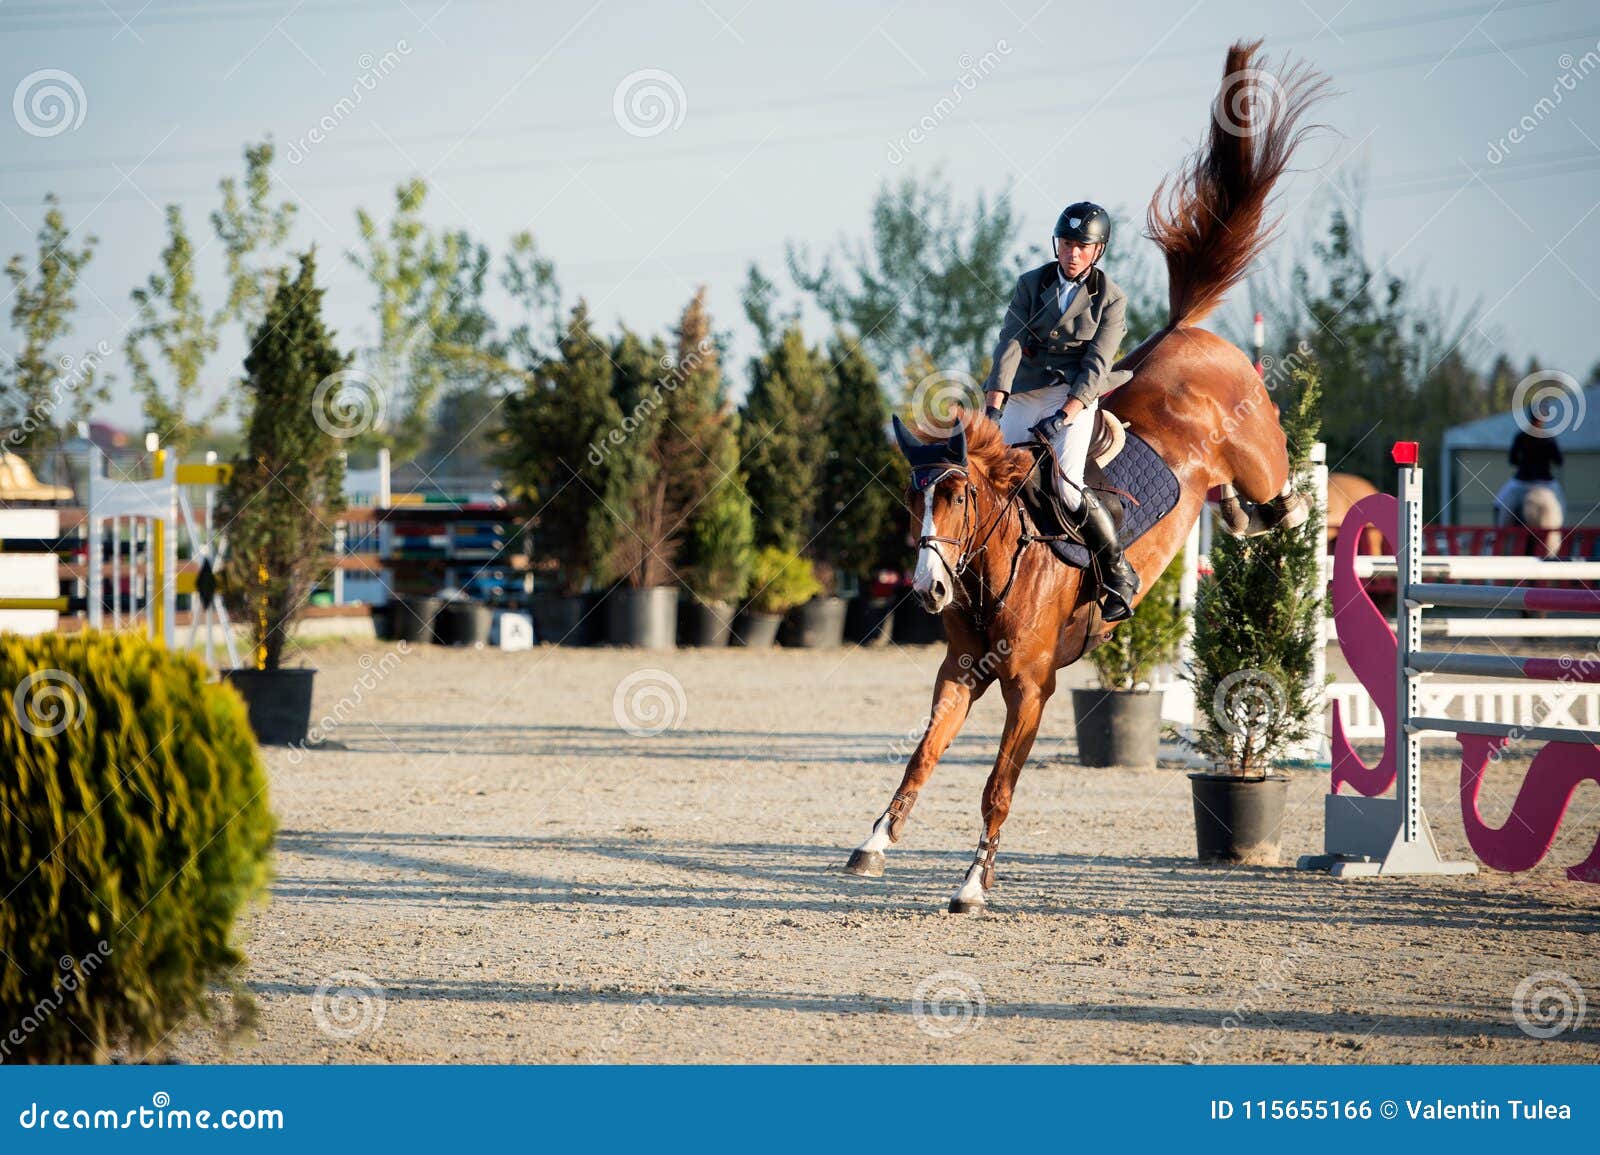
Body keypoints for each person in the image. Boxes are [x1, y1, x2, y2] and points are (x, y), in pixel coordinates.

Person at [982, 201, 1138, 621]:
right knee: (997, 476)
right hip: (1026, 388)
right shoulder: (1031, 283)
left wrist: (1066, 414)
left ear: (1097, 250)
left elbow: (1097, 363)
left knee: (1067, 487)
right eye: (1067, 243)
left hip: (1075, 393)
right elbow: (1010, 342)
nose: (1072, 253)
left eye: (1082, 246)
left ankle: (1117, 573)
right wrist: (994, 405)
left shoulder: (1111, 298)